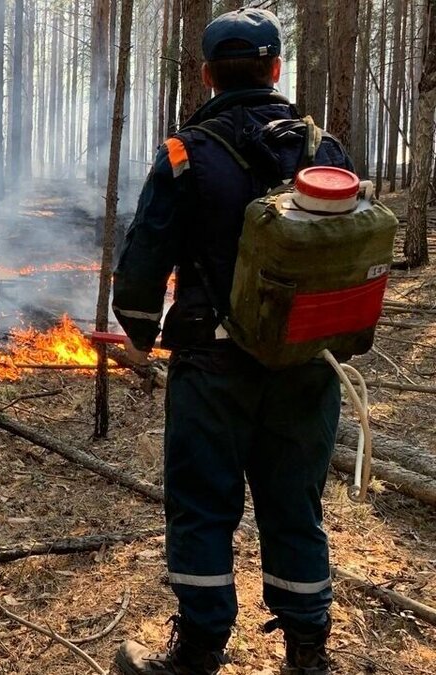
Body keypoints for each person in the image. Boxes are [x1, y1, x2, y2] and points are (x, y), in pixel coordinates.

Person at [111, 8, 353, 675]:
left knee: (202, 507)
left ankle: (197, 653)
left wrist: (139, 331)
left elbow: (142, 261)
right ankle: (308, 652)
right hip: (306, 365)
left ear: (206, 74)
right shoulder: (325, 151)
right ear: (276, 68)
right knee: (295, 506)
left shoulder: (185, 154)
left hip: (212, 367)